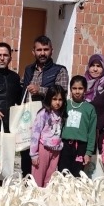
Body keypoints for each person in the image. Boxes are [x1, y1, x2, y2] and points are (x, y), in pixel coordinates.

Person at [20, 36, 69, 175]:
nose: (42, 53)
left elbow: (63, 92)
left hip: (48, 123)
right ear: (33, 52)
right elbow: (22, 87)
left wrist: (40, 89)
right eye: (39, 50)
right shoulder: (29, 69)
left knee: (44, 167)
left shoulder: (60, 70)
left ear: (51, 51)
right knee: (26, 160)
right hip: (28, 120)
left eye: (46, 49)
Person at [29, 84, 67, 187]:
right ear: (49, 98)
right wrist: (34, 154)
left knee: (50, 178)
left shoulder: (62, 113)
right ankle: (35, 198)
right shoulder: (43, 113)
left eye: (60, 99)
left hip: (56, 150)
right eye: (54, 99)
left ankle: (46, 198)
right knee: (38, 177)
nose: (57, 102)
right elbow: (35, 134)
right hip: (43, 149)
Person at [60, 76, 97, 177]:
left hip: (80, 147)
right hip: (65, 146)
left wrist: (88, 152)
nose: (77, 91)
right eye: (74, 88)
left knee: (77, 175)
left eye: (80, 88)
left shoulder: (90, 108)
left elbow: (91, 132)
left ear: (85, 89)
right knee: (62, 173)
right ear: (70, 89)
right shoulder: (64, 105)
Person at [83, 54, 104, 151]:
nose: (95, 69)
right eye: (92, 65)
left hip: (100, 131)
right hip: (82, 129)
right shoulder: (82, 83)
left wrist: (96, 125)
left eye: (98, 66)